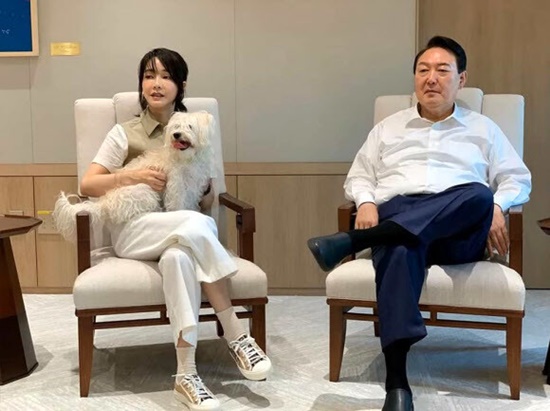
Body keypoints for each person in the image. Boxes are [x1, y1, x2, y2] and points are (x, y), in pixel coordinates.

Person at [307, 36, 531, 411]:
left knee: (477, 194)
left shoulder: (484, 129)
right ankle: (397, 386)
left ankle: (352, 241)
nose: (431, 78)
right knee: (399, 247)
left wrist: (497, 204)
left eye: (442, 70)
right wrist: (365, 201)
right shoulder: (388, 128)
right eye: (423, 70)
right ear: (414, 78)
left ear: (461, 79)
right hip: (400, 214)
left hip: (458, 232)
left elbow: (517, 180)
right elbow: (359, 176)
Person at [80, 48, 271, 411]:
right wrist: (132, 176)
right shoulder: (125, 133)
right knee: (199, 224)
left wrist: (206, 191)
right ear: (141, 84)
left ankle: (186, 375)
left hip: (180, 232)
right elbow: (87, 184)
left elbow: (206, 199)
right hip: (135, 231)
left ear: (180, 85)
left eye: (166, 77)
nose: (156, 83)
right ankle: (235, 331)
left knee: (179, 258)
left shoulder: (196, 129)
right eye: (149, 75)